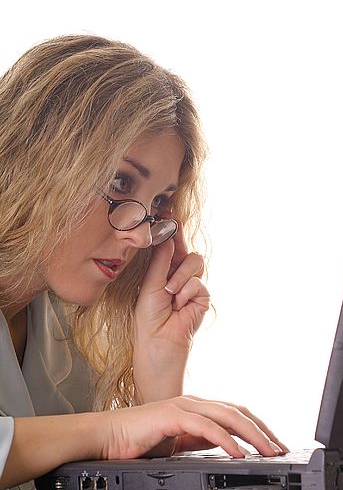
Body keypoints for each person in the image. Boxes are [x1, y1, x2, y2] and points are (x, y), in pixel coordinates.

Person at [0, 35, 287, 489]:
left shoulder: (59, 329)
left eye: (157, 204)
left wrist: (158, 377)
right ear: (41, 156)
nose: (138, 234)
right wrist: (114, 430)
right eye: (119, 181)